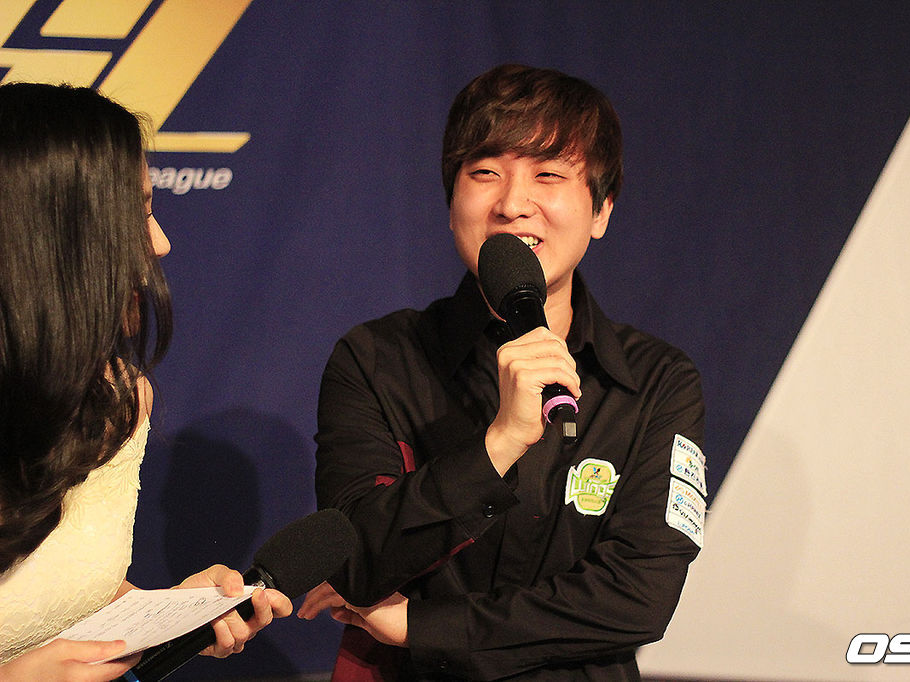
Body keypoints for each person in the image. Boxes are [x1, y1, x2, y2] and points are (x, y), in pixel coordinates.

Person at [300, 64, 707, 680]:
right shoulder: (378, 358)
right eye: (485, 172)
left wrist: (423, 626)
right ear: (452, 201)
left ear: (601, 210)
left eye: (549, 175)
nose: (513, 204)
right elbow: (353, 559)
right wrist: (499, 445)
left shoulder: (656, 381)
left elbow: (638, 599)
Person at [0, 82, 291, 680]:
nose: (160, 242)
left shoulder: (117, 398)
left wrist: (164, 614)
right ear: (49, 237)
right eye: (136, 215)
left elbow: (50, 593)